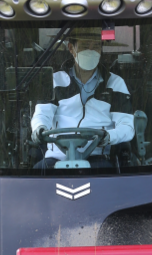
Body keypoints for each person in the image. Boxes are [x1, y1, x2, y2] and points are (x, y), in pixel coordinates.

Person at [31, 26, 134, 169]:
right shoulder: (54, 81)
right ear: (71, 48)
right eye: (85, 46)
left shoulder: (115, 83)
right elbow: (42, 114)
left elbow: (127, 126)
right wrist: (39, 128)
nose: (91, 51)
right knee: (37, 175)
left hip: (98, 157)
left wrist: (108, 136)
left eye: (96, 46)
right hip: (56, 158)